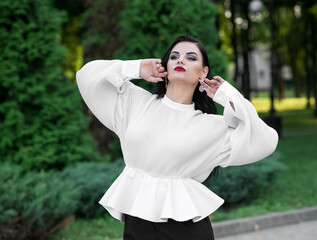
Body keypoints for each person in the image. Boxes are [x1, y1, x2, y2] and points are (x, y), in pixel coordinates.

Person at [76, 35, 278, 240]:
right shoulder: (135, 102)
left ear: (204, 71)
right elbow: (87, 76)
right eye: (174, 56)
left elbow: (266, 140)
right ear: (165, 66)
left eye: (191, 58)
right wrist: (137, 68)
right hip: (136, 224)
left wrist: (227, 95)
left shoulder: (212, 126)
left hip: (186, 230)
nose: (181, 61)